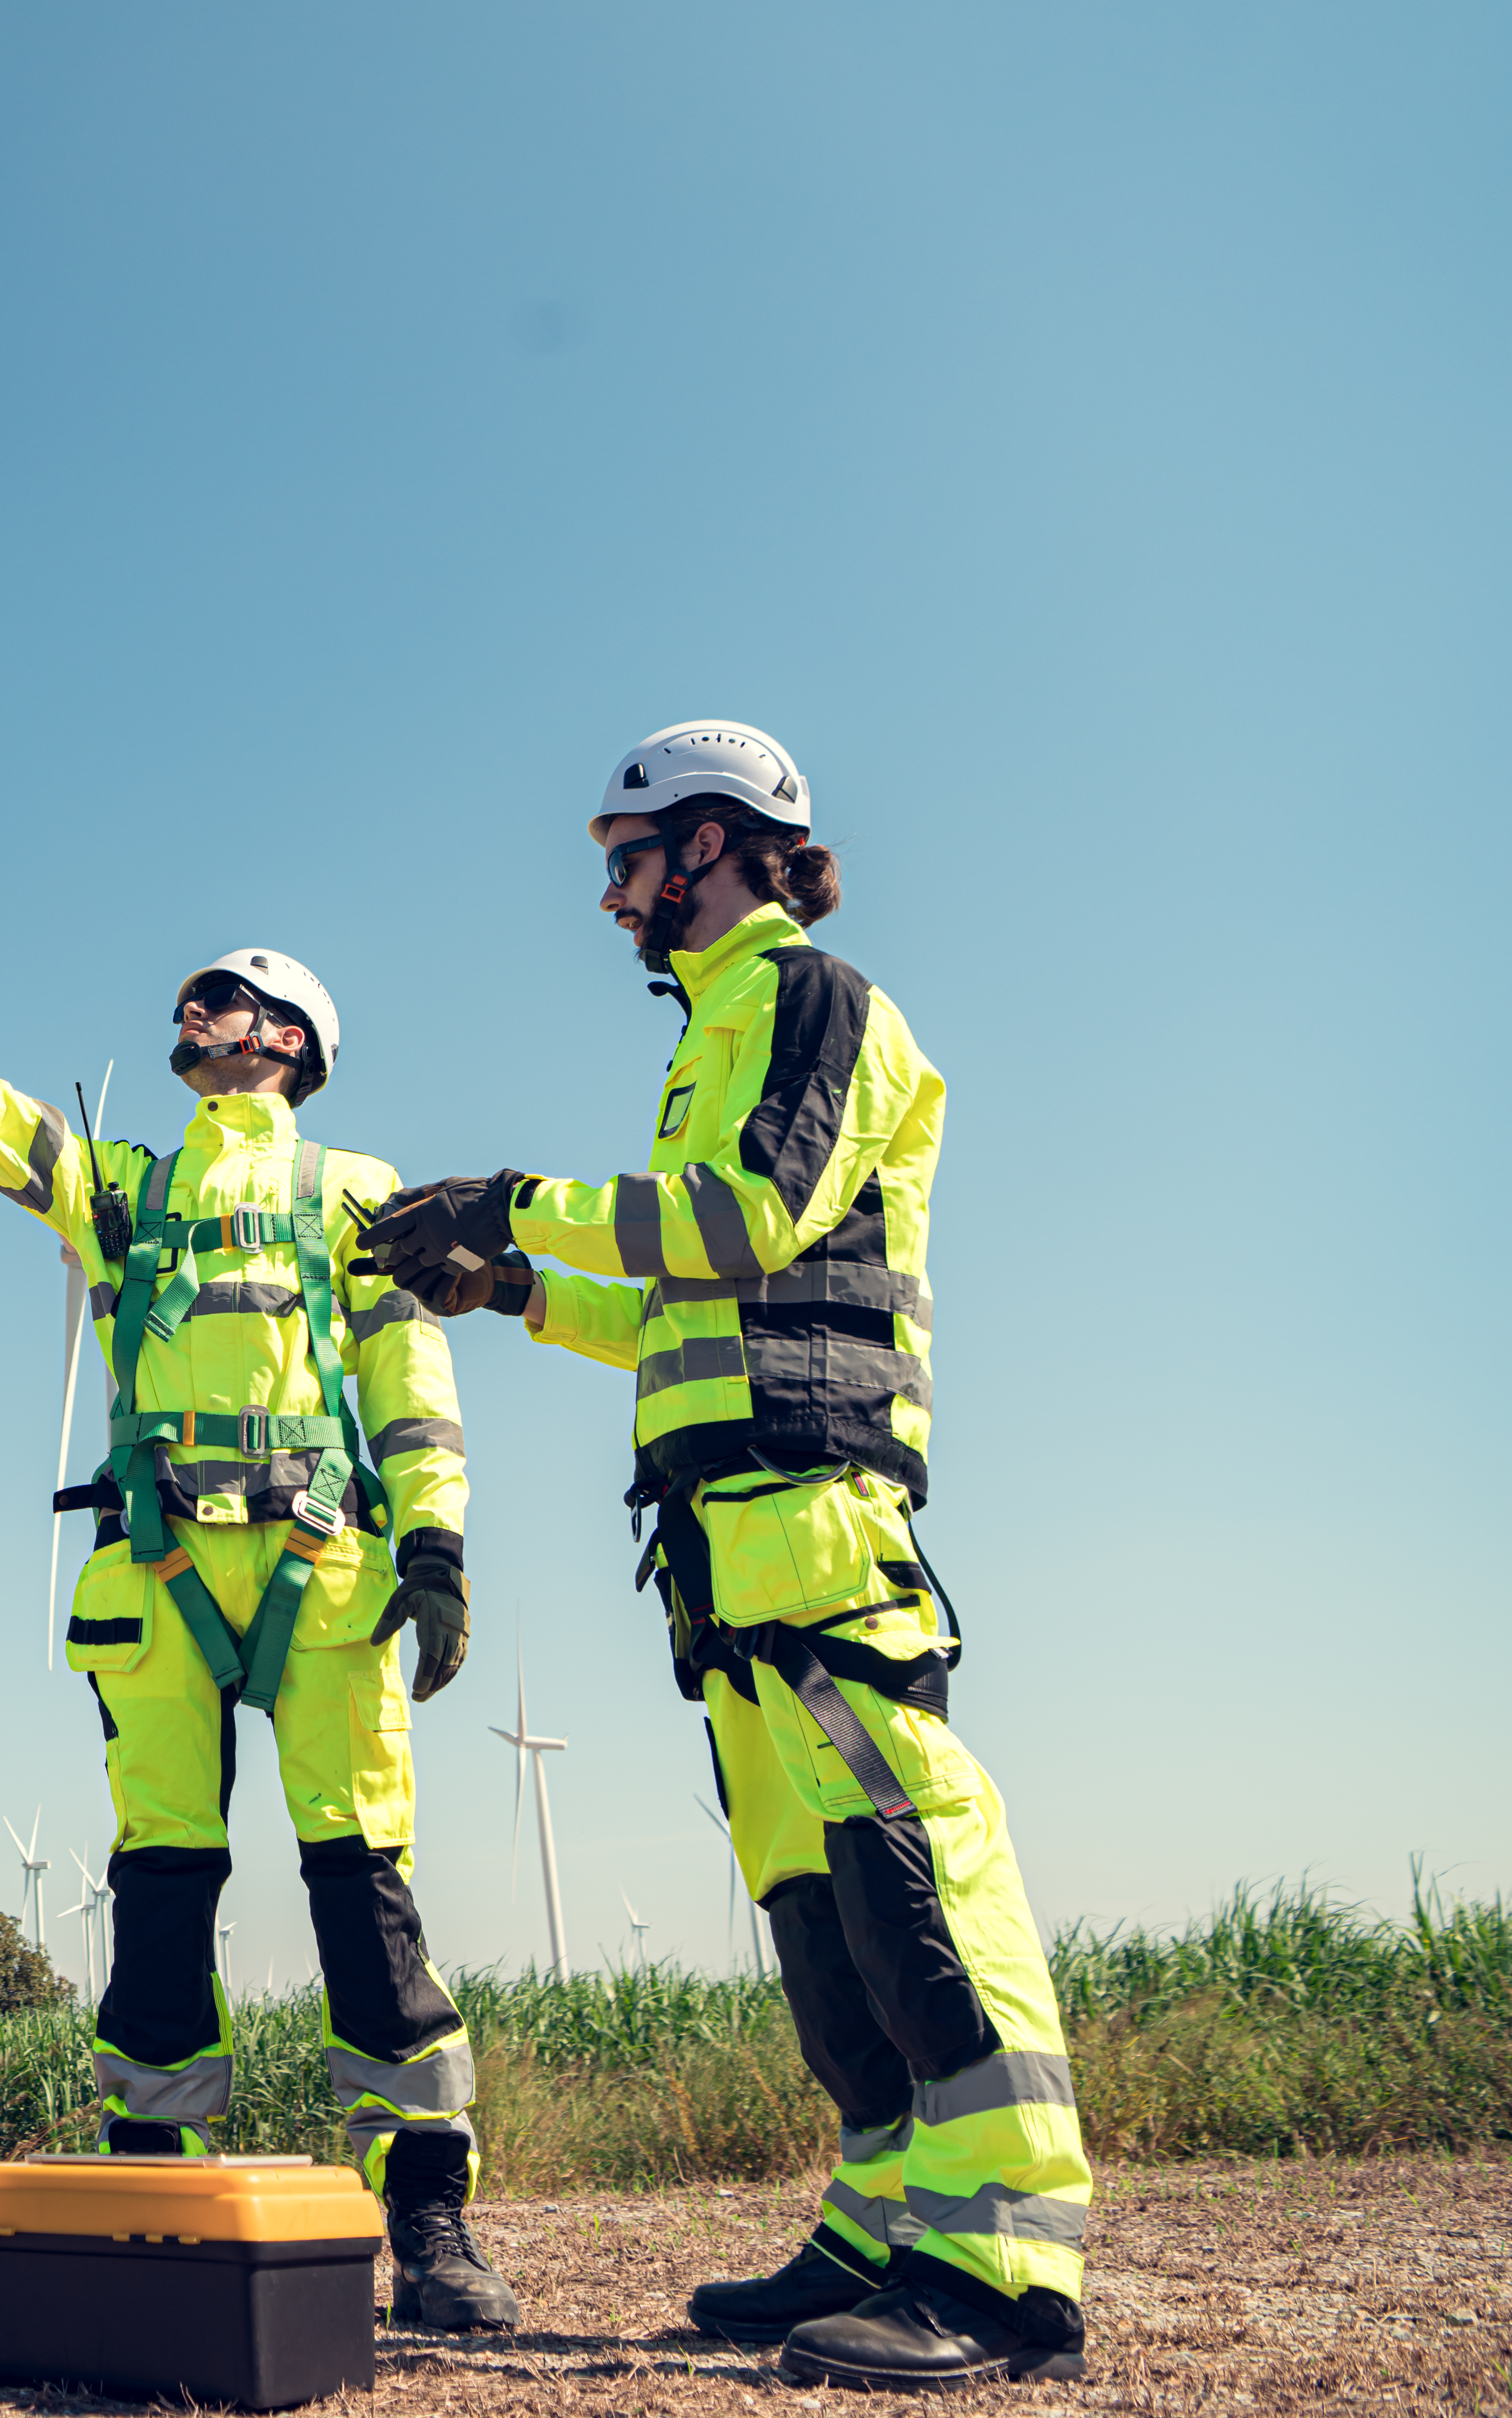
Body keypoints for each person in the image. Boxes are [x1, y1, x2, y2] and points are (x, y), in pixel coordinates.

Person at [357, 723, 1094, 2392]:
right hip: (722, 1541)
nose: (612, 897)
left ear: (710, 846)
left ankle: (1001, 2266)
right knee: (819, 1905)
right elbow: (687, 1298)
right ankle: (880, 2221)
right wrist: (508, 1288)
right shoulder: (707, 1040)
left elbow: (752, 1215)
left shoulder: (814, 998)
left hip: (817, 1509)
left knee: (912, 1867)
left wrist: (515, 1196)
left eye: (627, 862)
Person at [0, 800, 518, 2333]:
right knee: (161, 1886)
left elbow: (411, 1391)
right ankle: (152, 2187)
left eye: (227, 996)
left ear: (293, 1043)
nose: (194, 1007)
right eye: (193, 995)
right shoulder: (126, 1186)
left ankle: (433, 2223)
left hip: (325, 1576)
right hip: (161, 1570)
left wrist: (438, 1553)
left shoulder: (352, 1195)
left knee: (361, 1890)